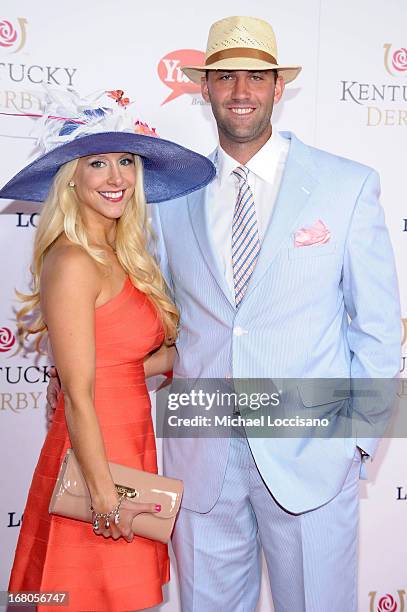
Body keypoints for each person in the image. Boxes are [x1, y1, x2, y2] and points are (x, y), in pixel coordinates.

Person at [47, 15, 401, 612]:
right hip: (200, 451)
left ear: (277, 88)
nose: (242, 91)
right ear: (204, 87)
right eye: (226, 77)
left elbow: (378, 326)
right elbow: (144, 310)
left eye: (256, 78)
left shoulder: (347, 186)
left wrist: (355, 442)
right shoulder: (168, 195)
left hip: (310, 453)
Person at [0, 89, 214, 612]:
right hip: (93, 459)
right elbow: (78, 394)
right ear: (71, 176)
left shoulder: (125, 254)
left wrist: (197, 350)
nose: (116, 177)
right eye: (97, 162)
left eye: (126, 161)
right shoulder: (72, 261)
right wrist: (102, 494)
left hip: (131, 451)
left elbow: (140, 360)